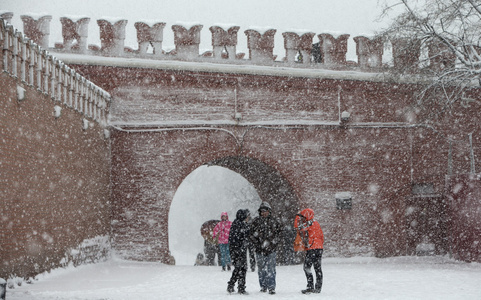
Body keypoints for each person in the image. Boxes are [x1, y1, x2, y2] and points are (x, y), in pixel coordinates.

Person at [249, 202, 281, 295]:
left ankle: (271, 287)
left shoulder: (274, 221)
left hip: (271, 249)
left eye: (265, 211)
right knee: (261, 269)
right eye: (262, 211)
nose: (263, 213)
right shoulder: (256, 221)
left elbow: (279, 234)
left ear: (269, 211)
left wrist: (273, 243)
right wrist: (257, 244)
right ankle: (263, 286)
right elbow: (251, 235)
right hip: (260, 250)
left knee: (271, 269)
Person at [294, 208, 324, 294]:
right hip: (319, 248)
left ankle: (310, 286)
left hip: (312, 248)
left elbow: (297, 228)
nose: (302, 219)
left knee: (307, 267)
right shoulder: (316, 223)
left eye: (303, 217)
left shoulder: (309, 223)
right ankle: (318, 287)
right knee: (317, 268)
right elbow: (322, 236)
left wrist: (297, 216)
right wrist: (319, 245)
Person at [227, 209, 252, 295]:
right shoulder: (239, 225)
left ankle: (234, 286)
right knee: (241, 268)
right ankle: (237, 286)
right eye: (247, 216)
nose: (248, 218)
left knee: (240, 268)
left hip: (238, 250)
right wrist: (240, 248)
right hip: (238, 251)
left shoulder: (238, 224)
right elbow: (236, 239)